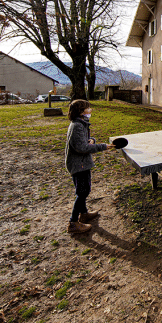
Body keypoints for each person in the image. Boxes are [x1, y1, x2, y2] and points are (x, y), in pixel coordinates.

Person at [65, 99, 113, 234]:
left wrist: (91, 141)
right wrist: (103, 146)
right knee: (82, 192)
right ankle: (73, 223)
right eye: (88, 108)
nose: (90, 110)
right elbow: (81, 147)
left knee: (84, 190)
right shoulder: (77, 126)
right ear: (81, 112)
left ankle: (84, 214)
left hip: (82, 163)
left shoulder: (81, 124)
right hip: (78, 165)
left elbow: (81, 142)